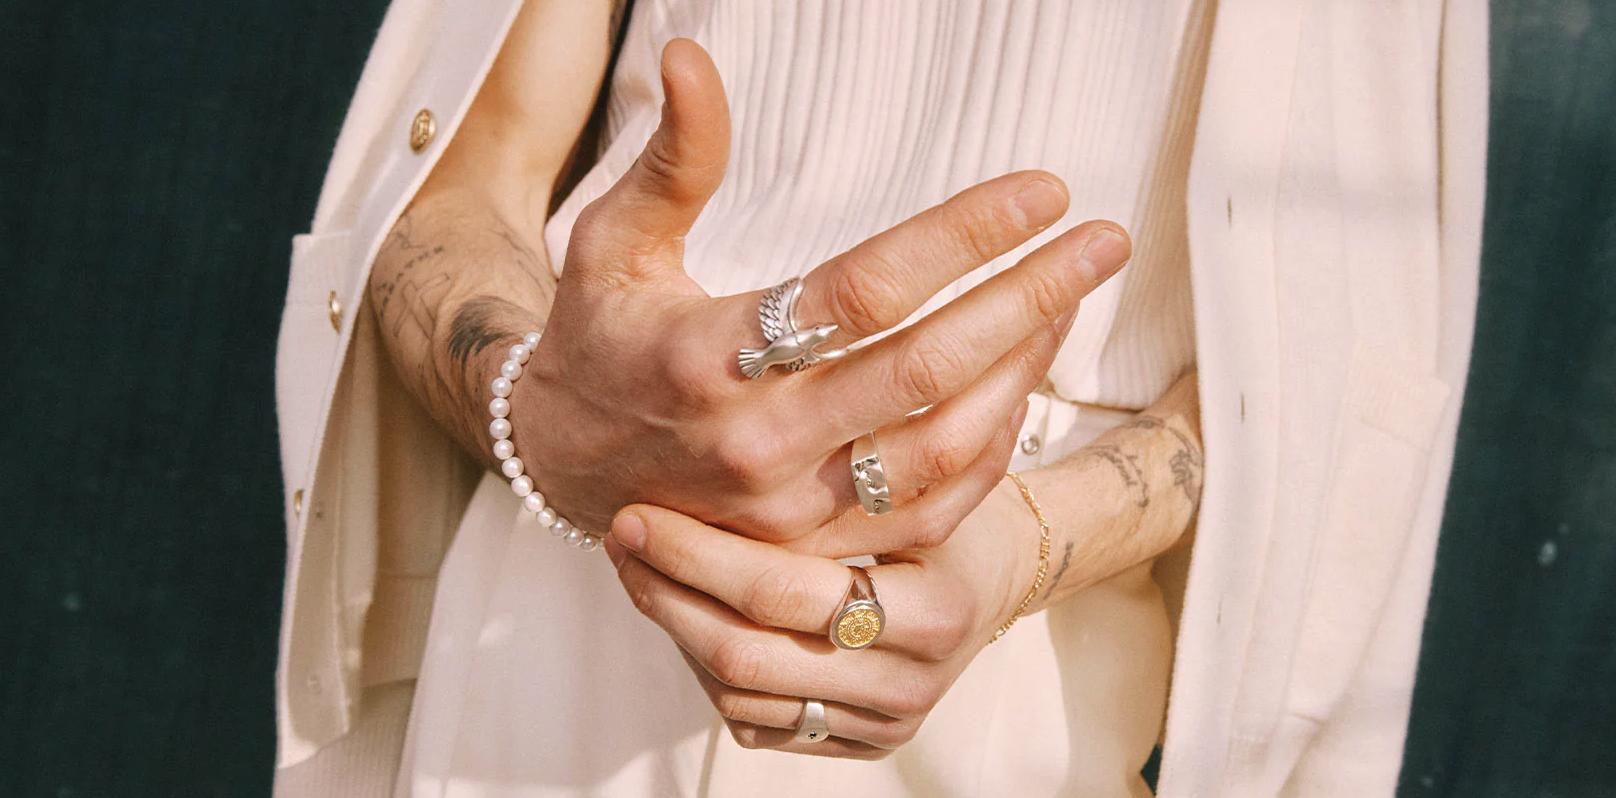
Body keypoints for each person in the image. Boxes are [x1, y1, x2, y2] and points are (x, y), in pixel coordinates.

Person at [272, 1, 1489, 795]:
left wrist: (1017, 546)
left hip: (1018, 668)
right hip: (561, 604)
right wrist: (534, 412)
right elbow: (451, 178)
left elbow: (1338, 362)